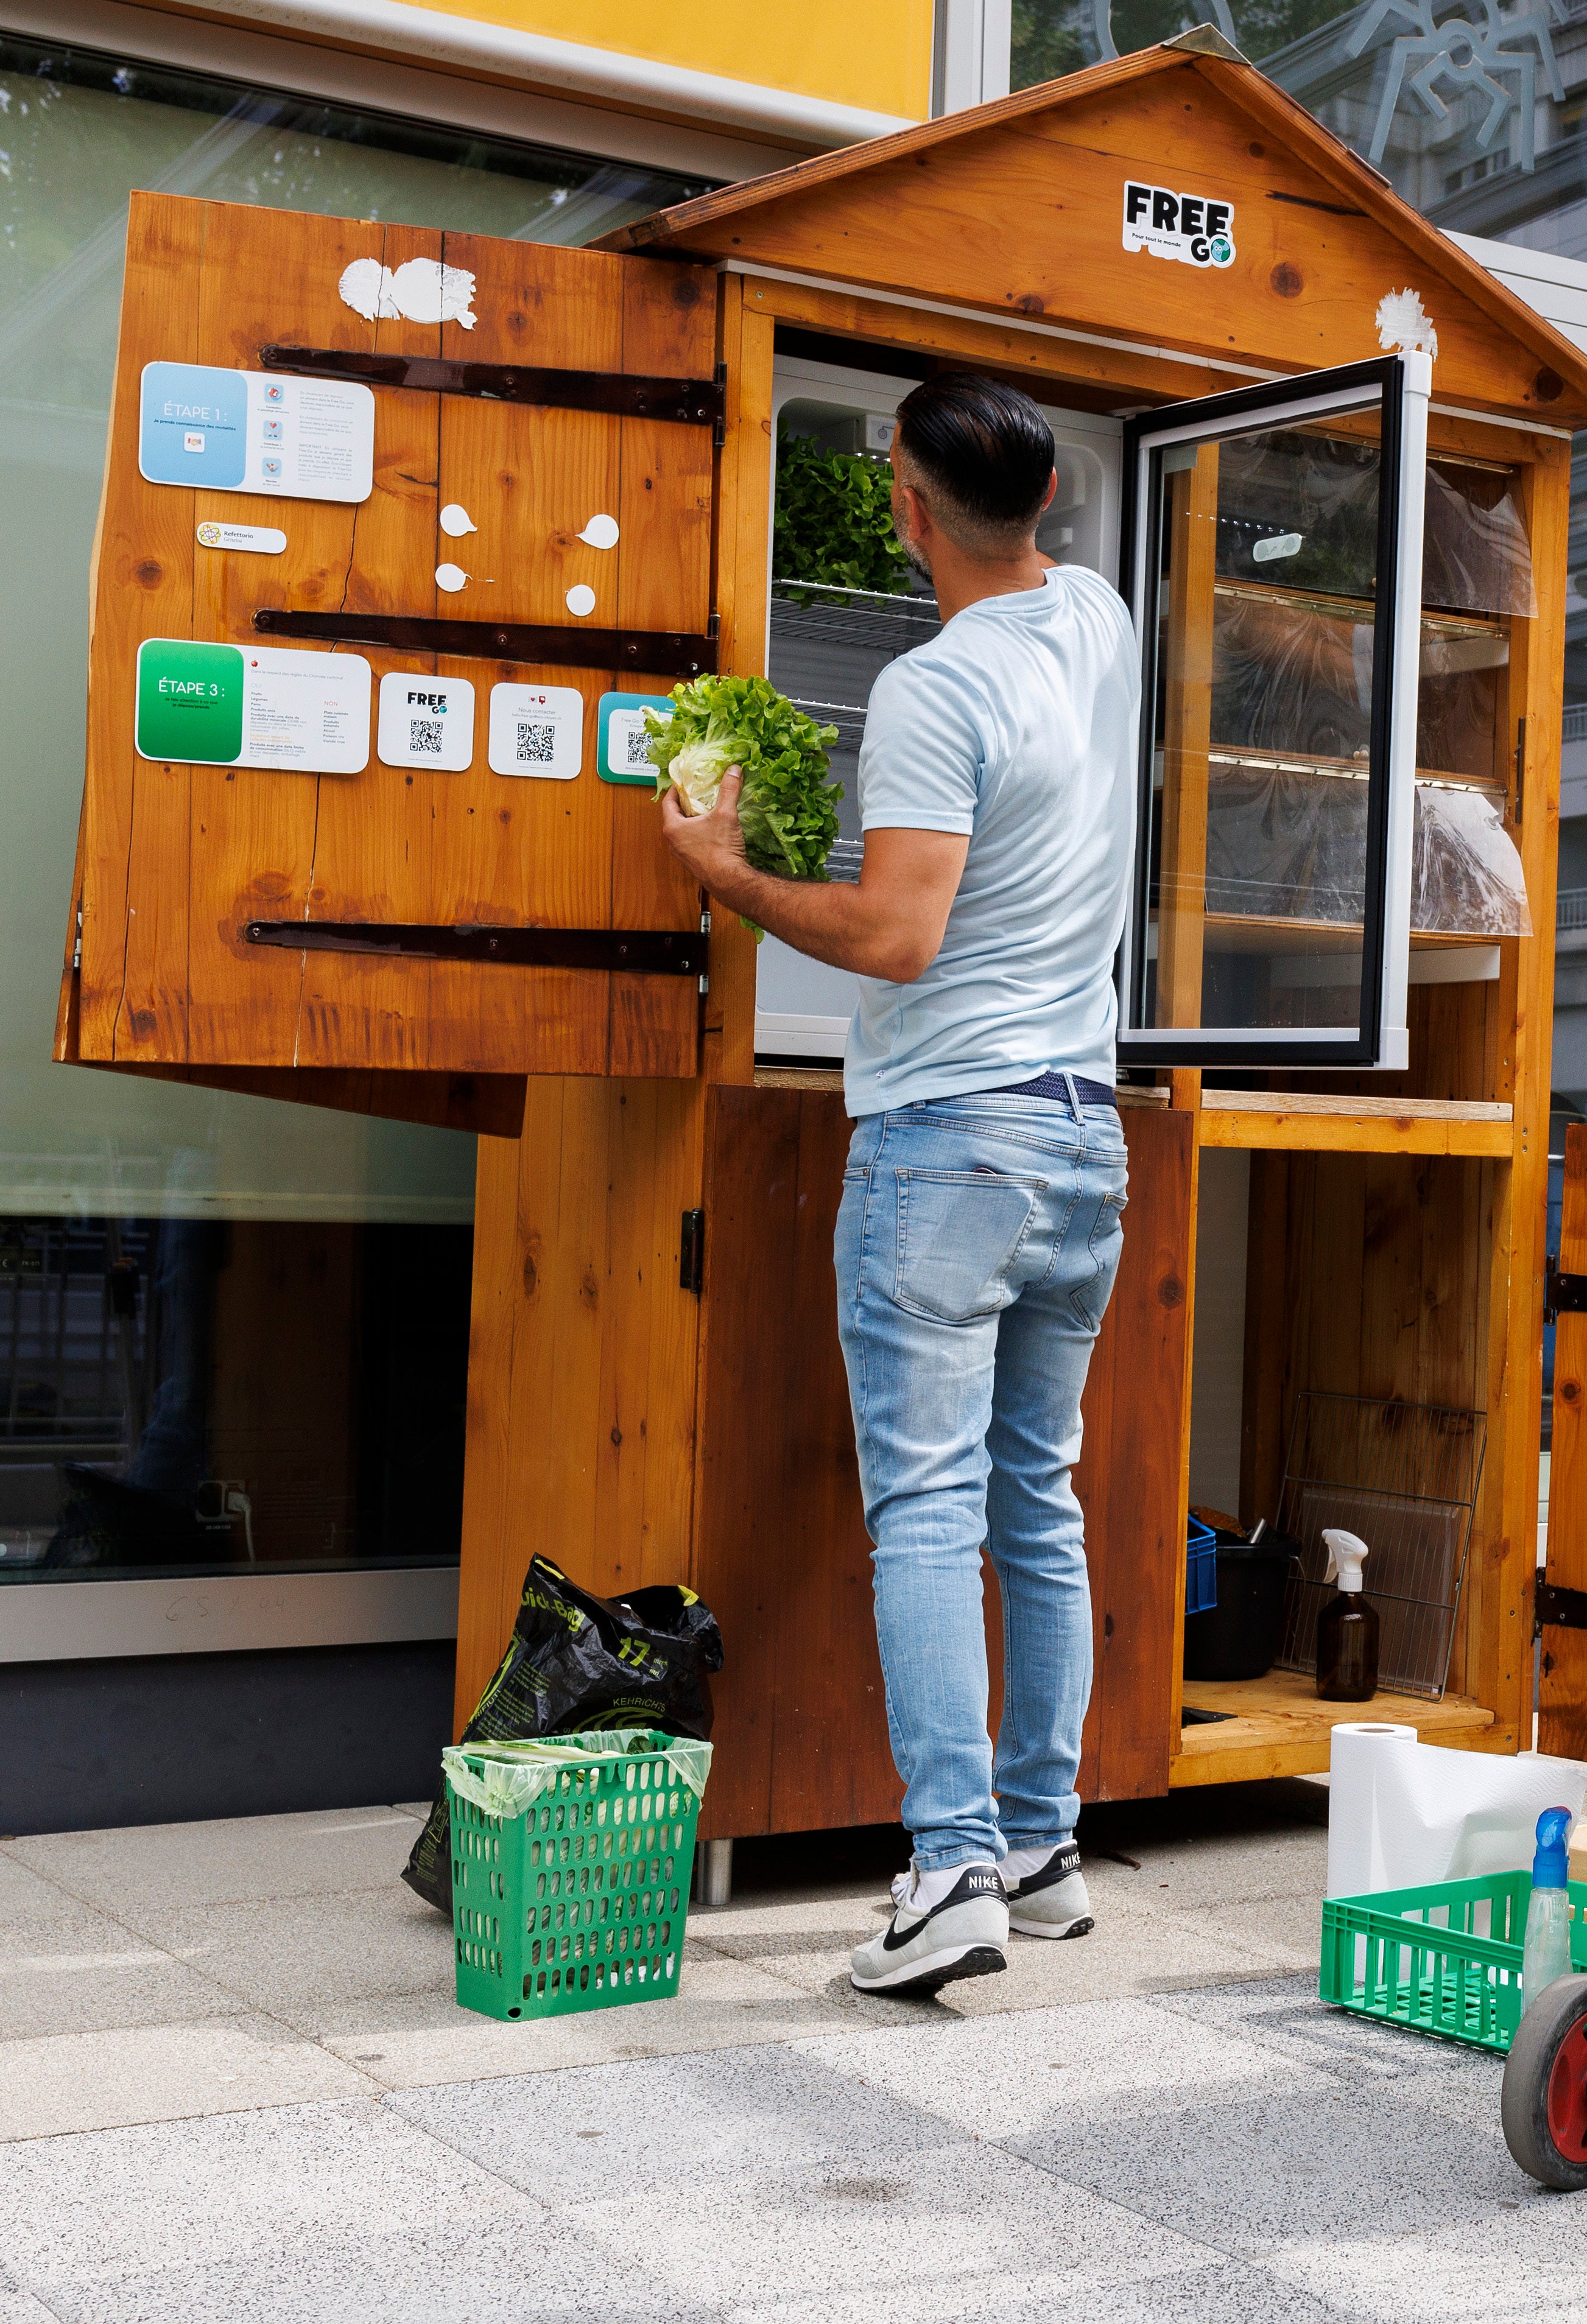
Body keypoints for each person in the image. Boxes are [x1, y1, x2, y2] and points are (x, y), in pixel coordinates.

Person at [659, 374, 1138, 1996]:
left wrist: (725, 876)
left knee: (928, 1508)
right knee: (1036, 1496)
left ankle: (947, 1878)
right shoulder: (1095, 617)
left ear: (904, 510)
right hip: (1083, 1133)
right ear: (1050, 494)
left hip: (952, 1137)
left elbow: (898, 936)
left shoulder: (935, 691)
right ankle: (1040, 1842)